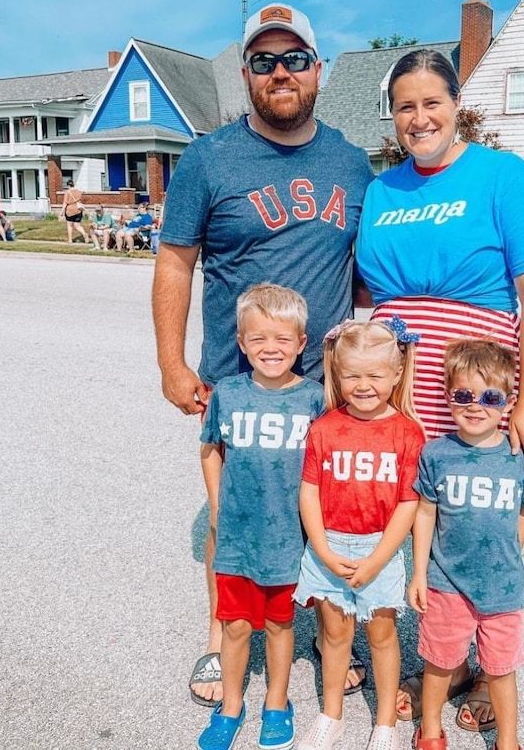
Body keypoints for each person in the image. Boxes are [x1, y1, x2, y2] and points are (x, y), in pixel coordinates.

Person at [152, 1, 373, 709]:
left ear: (318, 70)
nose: (280, 73)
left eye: (295, 59)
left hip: (328, 390)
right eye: (263, 61)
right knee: (234, 514)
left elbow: (366, 275)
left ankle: (329, 633)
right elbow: (175, 262)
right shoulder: (208, 158)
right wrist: (171, 363)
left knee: (330, 511)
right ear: (246, 73)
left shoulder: (351, 162)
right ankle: (222, 640)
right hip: (238, 381)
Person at [354, 49, 524, 730]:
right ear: (393, 117)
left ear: (456, 103)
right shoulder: (383, 191)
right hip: (396, 400)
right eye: (405, 107)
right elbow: (368, 293)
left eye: (431, 102)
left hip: (475, 396)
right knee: (407, 523)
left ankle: (475, 665)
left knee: (479, 524)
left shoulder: (504, 177)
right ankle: (421, 656)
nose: (419, 118)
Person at [197, 284, 325, 750]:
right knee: (233, 625)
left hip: (287, 538)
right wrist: (216, 505)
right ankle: (231, 705)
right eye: (259, 339)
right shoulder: (228, 393)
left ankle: (277, 700)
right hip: (237, 536)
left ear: (301, 343)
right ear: (241, 341)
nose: (271, 349)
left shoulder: (313, 399)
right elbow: (210, 450)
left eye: (282, 340)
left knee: (279, 624)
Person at [293, 319, 425, 750]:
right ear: (336, 373)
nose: (363, 385)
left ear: (396, 373)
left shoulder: (407, 433)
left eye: (374, 375)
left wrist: (378, 559)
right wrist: (324, 551)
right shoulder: (325, 428)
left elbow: (409, 503)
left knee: (382, 636)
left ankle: (384, 723)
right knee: (335, 635)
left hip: (378, 550)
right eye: (352, 375)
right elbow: (309, 492)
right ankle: (332, 715)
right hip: (328, 545)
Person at [408, 338, 524, 750]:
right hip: (445, 581)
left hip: (503, 587)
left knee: (500, 667)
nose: (475, 406)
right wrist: (418, 572)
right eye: (462, 395)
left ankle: (508, 740)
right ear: (448, 397)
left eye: (489, 397)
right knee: (440, 661)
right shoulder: (436, 453)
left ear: (508, 401)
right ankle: (430, 729)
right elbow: (425, 512)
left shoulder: (519, 456)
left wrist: (509, 552)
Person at [61, 179, 89, 244]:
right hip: (78, 209)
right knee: (78, 225)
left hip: (70, 210)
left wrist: (62, 211)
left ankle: (70, 240)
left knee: (69, 225)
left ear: (68, 185)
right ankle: (84, 233)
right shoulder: (79, 192)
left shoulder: (67, 192)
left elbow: (65, 203)